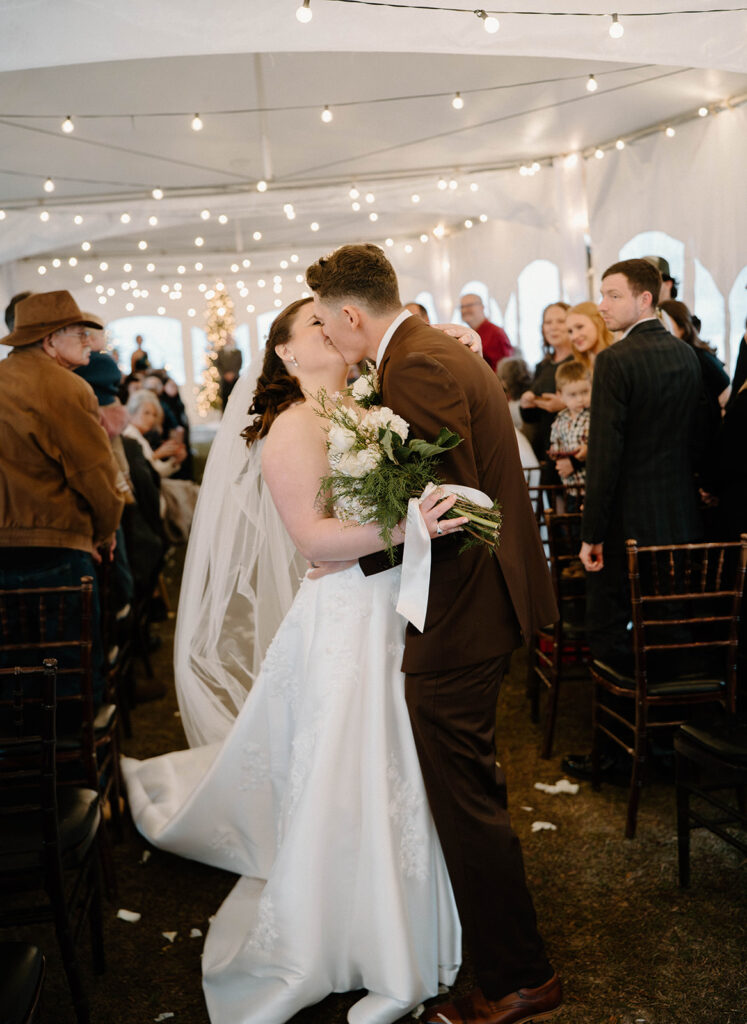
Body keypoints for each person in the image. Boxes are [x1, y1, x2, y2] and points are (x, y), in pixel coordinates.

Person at [123, 297, 473, 1024]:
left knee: (399, 768)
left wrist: (454, 341)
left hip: (387, 608)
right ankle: (353, 944)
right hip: (345, 617)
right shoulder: (291, 426)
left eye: (334, 319)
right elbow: (314, 543)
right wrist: (405, 525)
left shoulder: (368, 398)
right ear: (283, 354)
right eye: (314, 326)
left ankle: (409, 928)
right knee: (348, 771)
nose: (333, 329)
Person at [308, 244, 561, 1024]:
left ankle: (518, 977)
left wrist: (362, 559)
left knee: (465, 800)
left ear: (352, 314)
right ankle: (506, 963)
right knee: (469, 792)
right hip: (474, 601)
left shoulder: (413, 365)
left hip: (461, 611)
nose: (323, 337)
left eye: (323, 323)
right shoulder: (419, 352)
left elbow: (454, 509)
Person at [564, 259, 703, 779]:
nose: (602, 306)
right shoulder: (688, 358)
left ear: (645, 300)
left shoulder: (617, 361)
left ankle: (619, 756)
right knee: (672, 634)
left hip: (627, 529)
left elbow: (605, 456)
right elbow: (698, 441)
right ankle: (670, 749)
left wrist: (590, 535)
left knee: (611, 637)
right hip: (681, 521)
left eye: (612, 295)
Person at [0, 291, 124, 706]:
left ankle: (25, 763)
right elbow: (95, 476)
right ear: (50, 341)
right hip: (57, 550)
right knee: (70, 673)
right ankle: (85, 765)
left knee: (14, 677)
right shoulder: (67, 388)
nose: (88, 341)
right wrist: (106, 531)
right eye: (77, 333)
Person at [519, 302, 572, 466]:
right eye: (548, 322)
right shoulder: (543, 366)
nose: (553, 327)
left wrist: (564, 406)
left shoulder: (579, 363)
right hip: (546, 450)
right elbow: (532, 418)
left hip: (571, 450)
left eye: (560, 321)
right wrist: (525, 404)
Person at [548, 360, 591, 510]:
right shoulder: (560, 420)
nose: (580, 399)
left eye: (584, 392)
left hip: (591, 487)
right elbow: (555, 444)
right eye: (573, 395)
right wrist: (556, 455)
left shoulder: (594, 417)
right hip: (570, 488)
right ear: (560, 395)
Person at [458, 292, 513, 371]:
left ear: (482, 307)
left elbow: (505, 371)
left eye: (469, 305)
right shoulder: (467, 334)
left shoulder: (496, 333)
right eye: (462, 307)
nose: (464, 310)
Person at [566, 301, 614, 374]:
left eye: (580, 327)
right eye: (570, 331)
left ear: (598, 323)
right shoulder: (579, 366)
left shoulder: (617, 357)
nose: (574, 336)